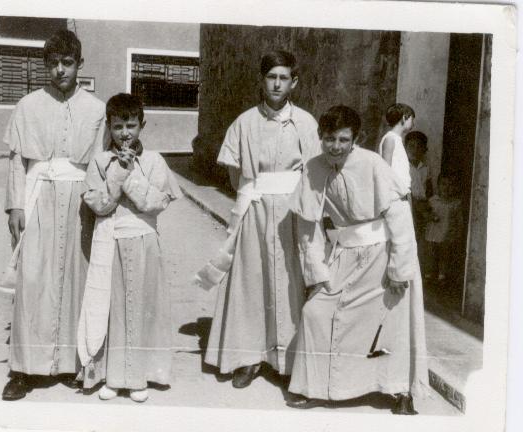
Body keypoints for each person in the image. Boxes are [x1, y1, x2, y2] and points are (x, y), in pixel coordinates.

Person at [287, 105, 429, 414]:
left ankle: (400, 391)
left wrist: (399, 269)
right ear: (320, 137)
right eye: (329, 139)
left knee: (393, 322)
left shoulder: (373, 164)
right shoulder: (313, 168)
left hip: (384, 255)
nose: (335, 147)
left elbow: (400, 219)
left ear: (356, 139)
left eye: (343, 139)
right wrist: (316, 273)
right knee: (315, 312)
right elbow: (307, 229)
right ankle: (317, 387)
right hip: (345, 255)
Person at [197, 50, 320, 388]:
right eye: (271, 77)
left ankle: (288, 360)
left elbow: (313, 173)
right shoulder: (244, 122)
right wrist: (257, 195)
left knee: (290, 280)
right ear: (262, 80)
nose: (277, 84)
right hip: (255, 209)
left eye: (283, 78)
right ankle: (247, 358)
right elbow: (236, 176)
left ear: (294, 82)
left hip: (292, 212)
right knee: (251, 281)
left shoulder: (306, 123)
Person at [1, 30, 106, 401]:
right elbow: (17, 160)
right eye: (53, 63)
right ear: (45, 65)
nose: (60, 70)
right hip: (38, 196)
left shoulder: (97, 109)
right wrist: (15, 205)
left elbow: (102, 164)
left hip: (80, 200)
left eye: (67, 63)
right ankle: (25, 369)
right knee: (33, 280)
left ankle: (74, 364)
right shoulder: (27, 105)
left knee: (78, 278)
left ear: (80, 64)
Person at [77, 93, 182, 403]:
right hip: (110, 242)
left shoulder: (154, 161)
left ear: (142, 126)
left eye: (131, 126)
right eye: (118, 126)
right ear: (109, 127)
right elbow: (99, 205)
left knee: (144, 309)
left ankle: (140, 377)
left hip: (144, 241)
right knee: (113, 310)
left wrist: (130, 175)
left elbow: (155, 202)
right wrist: (118, 172)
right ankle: (113, 376)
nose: (125, 133)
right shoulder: (100, 162)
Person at [424, 173, 464, 282]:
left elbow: (459, 220)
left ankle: (442, 276)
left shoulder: (455, 203)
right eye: (443, 184)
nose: (446, 187)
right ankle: (428, 275)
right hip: (432, 234)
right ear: (438, 185)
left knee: (444, 255)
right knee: (431, 255)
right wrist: (431, 216)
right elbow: (426, 214)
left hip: (446, 234)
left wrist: (457, 234)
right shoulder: (433, 201)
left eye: (450, 185)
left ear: (454, 187)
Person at [405, 131, 433, 267]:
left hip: (422, 204)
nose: (415, 150)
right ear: (405, 147)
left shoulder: (425, 168)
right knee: (407, 234)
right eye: (411, 146)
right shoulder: (404, 166)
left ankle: (416, 267)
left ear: (424, 150)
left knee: (420, 236)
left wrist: (429, 205)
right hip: (409, 203)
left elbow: (429, 188)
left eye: (419, 147)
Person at [378, 103, 415, 197]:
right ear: (404, 118)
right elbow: (385, 171)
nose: (413, 124)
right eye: (412, 119)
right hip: (393, 195)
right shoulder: (390, 139)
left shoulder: (397, 139)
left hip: (402, 193)